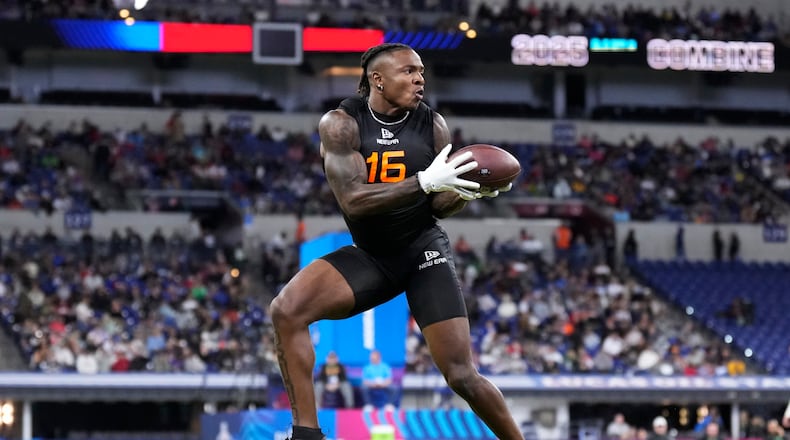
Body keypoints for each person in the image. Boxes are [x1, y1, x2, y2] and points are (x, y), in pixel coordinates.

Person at [269, 42, 521, 440]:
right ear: (378, 80)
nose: (420, 79)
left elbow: (438, 203)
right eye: (409, 71)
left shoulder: (432, 124)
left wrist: (467, 192)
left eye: (421, 71)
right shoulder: (341, 123)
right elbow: (354, 201)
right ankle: (306, 434)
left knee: (460, 375)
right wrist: (422, 182)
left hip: (423, 251)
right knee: (286, 311)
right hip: (372, 255)